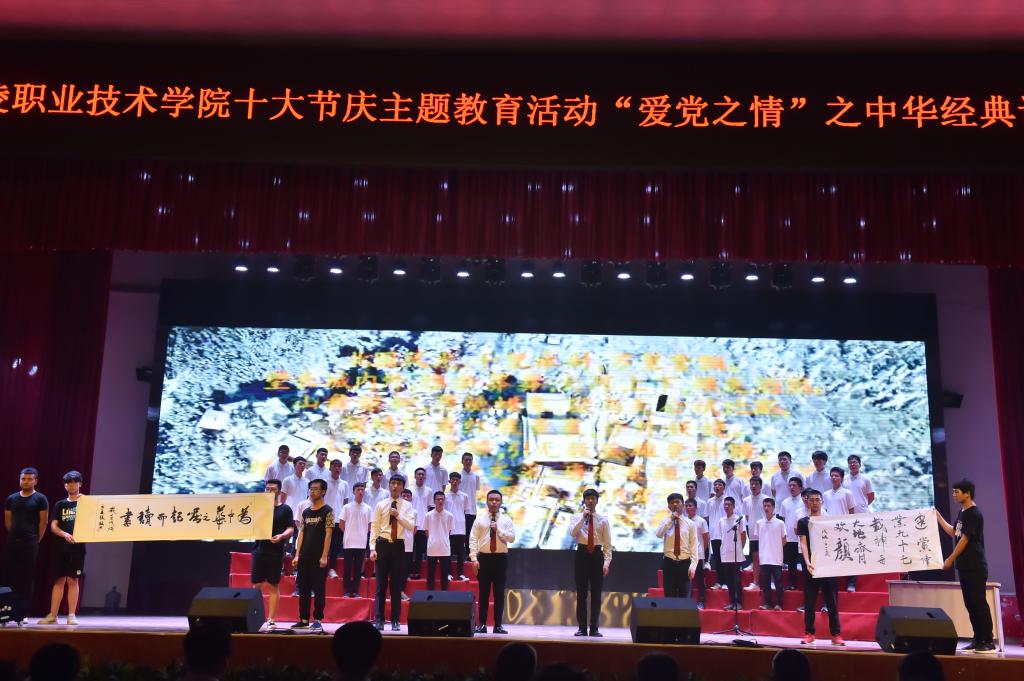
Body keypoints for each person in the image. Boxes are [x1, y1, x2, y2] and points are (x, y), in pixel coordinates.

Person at [937, 479, 996, 654]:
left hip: (975, 565)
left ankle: (988, 641)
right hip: (964, 567)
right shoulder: (962, 512)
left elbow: (964, 539)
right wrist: (938, 517)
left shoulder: (974, 513)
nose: (953, 495)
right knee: (970, 604)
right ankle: (977, 640)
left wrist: (950, 559)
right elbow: (954, 532)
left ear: (967, 493)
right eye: (953, 491)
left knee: (978, 603)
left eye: (956, 492)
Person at [369, 473, 416, 631]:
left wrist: (398, 515)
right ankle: (379, 619)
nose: (395, 486)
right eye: (393, 483)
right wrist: (372, 548)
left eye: (398, 484)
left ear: (403, 487)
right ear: (389, 485)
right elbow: (375, 527)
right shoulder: (381, 504)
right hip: (382, 545)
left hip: (398, 546)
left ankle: (396, 620)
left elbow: (410, 526)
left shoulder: (407, 506)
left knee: (396, 586)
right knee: (380, 586)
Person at [798, 488, 843, 646]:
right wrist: (807, 561)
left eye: (817, 500)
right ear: (807, 502)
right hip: (811, 566)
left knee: (832, 601)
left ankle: (836, 634)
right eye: (812, 500)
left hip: (828, 566)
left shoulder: (829, 521)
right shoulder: (803, 522)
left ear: (822, 502)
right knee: (809, 601)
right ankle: (809, 633)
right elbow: (803, 543)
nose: (815, 503)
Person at [39, 470, 85, 625]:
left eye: (74, 482)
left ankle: (71, 615)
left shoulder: (86, 503)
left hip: (77, 548)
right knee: (58, 580)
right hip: (60, 548)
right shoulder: (60, 504)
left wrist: (86, 501)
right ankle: (53, 615)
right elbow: (53, 525)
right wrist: (64, 534)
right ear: (65, 486)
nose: (71, 485)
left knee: (73, 580)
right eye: (68, 483)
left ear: (80, 484)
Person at [4, 466, 48, 622]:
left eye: (30, 479)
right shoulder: (11, 498)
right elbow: (8, 522)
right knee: (8, 578)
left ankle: (23, 614)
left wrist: (36, 539)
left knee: (27, 579)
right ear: (20, 480)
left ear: (35, 481)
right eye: (23, 478)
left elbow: (43, 522)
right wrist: (14, 535)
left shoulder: (40, 498)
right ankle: (7, 612)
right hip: (12, 542)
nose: (26, 481)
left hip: (30, 543)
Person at [250, 478, 294, 630]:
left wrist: (281, 536)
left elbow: (290, 528)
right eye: (267, 489)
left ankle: (271, 619)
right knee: (256, 585)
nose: (269, 491)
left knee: (273, 585)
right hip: (259, 550)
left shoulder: (285, 509)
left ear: (279, 491)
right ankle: (253, 617)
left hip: (275, 552)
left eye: (273, 489)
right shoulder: (258, 507)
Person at [470, 490, 515, 634]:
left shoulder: (507, 520)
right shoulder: (479, 520)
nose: (494, 502)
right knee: (483, 593)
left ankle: (498, 626)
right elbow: (473, 539)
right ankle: (482, 624)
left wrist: (498, 530)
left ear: (501, 502)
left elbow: (512, 538)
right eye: (491, 500)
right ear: (487, 502)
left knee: (499, 594)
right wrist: (473, 558)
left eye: (497, 500)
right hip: (484, 558)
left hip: (500, 559)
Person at [291, 478, 333, 631]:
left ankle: (318, 619)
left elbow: (328, 534)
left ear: (323, 492)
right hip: (304, 556)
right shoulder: (306, 512)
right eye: (311, 489)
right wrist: (297, 554)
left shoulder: (327, 511)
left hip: (318, 557)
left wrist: (324, 556)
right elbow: (301, 533)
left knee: (319, 589)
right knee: (304, 589)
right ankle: (303, 619)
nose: (312, 491)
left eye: (316, 489)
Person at [570, 488, 612, 636]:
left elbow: (607, 545)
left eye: (593, 498)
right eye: (587, 498)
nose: (590, 501)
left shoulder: (603, 520)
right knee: (581, 593)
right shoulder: (576, 517)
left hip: (597, 555)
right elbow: (573, 533)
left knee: (596, 594)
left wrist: (606, 563)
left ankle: (594, 628)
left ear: (597, 501)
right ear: (584, 501)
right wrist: (583, 518)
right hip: (581, 554)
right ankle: (582, 628)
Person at [842, 454, 874, 592]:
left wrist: (861, 506)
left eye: (855, 462)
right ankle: (851, 582)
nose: (852, 464)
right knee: (852, 547)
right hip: (848, 517)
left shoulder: (866, 479)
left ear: (859, 464)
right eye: (850, 462)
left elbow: (871, 497)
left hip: (863, 516)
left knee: (864, 544)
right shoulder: (844, 480)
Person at [655, 493, 697, 598]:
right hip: (669, 563)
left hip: (685, 564)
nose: (675, 504)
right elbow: (659, 534)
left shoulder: (690, 524)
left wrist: (693, 566)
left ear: (683, 504)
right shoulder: (665, 521)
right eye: (672, 503)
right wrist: (671, 520)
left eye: (677, 502)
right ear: (669, 506)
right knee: (669, 596)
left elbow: (694, 546)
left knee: (685, 597)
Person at [340, 482, 372, 598]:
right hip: (348, 542)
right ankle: (347, 591)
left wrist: (361, 534)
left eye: (362, 489)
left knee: (358, 569)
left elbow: (370, 525)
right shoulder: (346, 507)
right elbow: (341, 524)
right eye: (358, 489)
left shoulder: (368, 508)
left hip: (361, 543)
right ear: (353, 492)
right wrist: (349, 532)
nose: (360, 492)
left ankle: (356, 591)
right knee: (347, 568)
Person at [756, 498, 786, 610]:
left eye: (768, 506)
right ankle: (768, 603)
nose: (766, 508)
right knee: (766, 583)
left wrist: (775, 548)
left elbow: (784, 540)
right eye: (765, 506)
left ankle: (779, 604)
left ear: (773, 507)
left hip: (776, 557)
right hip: (764, 558)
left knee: (778, 583)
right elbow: (759, 538)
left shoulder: (780, 523)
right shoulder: (759, 523)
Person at [717, 496, 746, 610]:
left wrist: (740, 549)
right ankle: (731, 602)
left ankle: (739, 602)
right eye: (725, 504)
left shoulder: (739, 519)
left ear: (733, 506)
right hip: (725, 554)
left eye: (729, 504)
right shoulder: (721, 521)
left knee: (736, 580)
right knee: (729, 580)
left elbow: (743, 536)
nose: (726, 506)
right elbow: (722, 537)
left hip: (736, 554)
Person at [324, 458, 350, 579]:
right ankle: (321, 567)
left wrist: (344, 519)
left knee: (335, 546)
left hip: (338, 520)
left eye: (339, 466)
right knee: (323, 544)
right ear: (330, 468)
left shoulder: (345, 484)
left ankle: (331, 568)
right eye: (335, 466)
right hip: (325, 518)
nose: (337, 468)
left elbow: (345, 503)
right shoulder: (324, 482)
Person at [742, 476, 768, 589]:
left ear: (761, 486)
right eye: (752, 484)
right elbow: (747, 517)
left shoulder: (767, 499)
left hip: (766, 533)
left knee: (767, 558)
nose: (753, 486)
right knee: (755, 558)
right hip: (753, 533)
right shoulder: (746, 500)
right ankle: (756, 582)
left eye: (756, 484)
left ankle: (770, 582)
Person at [780, 477, 805, 590]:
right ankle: (792, 584)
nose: (791, 487)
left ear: (800, 487)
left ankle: (806, 585)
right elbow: (784, 520)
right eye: (790, 485)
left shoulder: (804, 501)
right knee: (791, 563)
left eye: (794, 485)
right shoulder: (785, 503)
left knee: (804, 562)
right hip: (790, 537)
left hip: (802, 537)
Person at [425, 491, 454, 590]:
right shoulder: (428, 515)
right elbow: (426, 531)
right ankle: (430, 593)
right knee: (430, 572)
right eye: (438, 499)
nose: (440, 501)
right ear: (434, 501)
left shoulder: (449, 515)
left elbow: (449, 531)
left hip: (445, 548)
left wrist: (442, 538)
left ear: (445, 501)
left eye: (442, 499)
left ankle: (444, 593)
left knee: (444, 573)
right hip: (432, 547)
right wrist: (433, 539)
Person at [684, 499, 709, 608]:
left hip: (698, 554)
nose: (688, 508)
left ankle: (701, 601)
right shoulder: (683, 521)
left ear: (695, 507)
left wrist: (702, 551)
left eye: (690, 505)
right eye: (686, 506)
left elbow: (706, 538)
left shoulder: (701, 521)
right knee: (686, 579)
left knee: (699, 578)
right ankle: (686, 601)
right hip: (686, 554)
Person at [445, 471, 471, 580]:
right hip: (449, 528)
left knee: (461, 553)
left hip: (460, 528)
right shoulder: (445, 496)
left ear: (460, 481)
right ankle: (449, 573)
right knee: (448, 552)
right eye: (453, 480)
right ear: (449, 481)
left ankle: (461, 574)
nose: (455, 482)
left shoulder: (464, 496)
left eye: (457, 480)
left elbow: (465, 510)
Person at [409, 467, 433, 579]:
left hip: (423, 524)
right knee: (409, 549)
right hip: (409, 524)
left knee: (419, 550)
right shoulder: (409, 489)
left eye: (423, 474)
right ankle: (408, 571)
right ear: (415, 476)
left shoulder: (429, 491)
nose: (421, 476)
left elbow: (430, 508)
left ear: (425, 477)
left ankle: (417, 571)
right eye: (419, 474)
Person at [459, 452, 481, 564]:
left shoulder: (476, 476)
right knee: (459, 533)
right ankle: (458, 554)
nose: (468, 461)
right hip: (459, 509)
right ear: (462, 461)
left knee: (470, 533)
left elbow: (475, 491)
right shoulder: (458, 476)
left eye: (470, 460)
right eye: (466, 459)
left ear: (472, 462)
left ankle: (469, 554)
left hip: (472, 509)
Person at [705, 479, 727, 589]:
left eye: (719, 485)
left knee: (725, 559)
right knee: (717, 559)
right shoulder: (709, 501)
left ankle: (726, 582)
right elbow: (707, 517)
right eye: (715, 485)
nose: (717, 486)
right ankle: (719, 582)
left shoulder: (727, 500)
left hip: (725, 534)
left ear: (724, 487)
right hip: (714, 534)